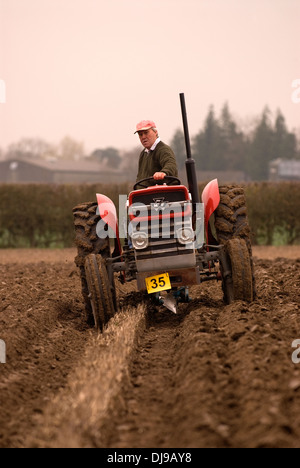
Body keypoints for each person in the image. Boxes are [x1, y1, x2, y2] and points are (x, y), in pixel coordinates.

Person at [134, 120, 178, 187]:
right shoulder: (143, 153)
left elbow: (170, 164)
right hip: (145, 193)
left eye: (146, 133)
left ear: (155, 132)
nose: (143, 137)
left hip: (162, 193)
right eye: (140, 134)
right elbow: (140, 178)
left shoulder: (163, 149)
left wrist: (163, 172)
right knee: (122, 196)